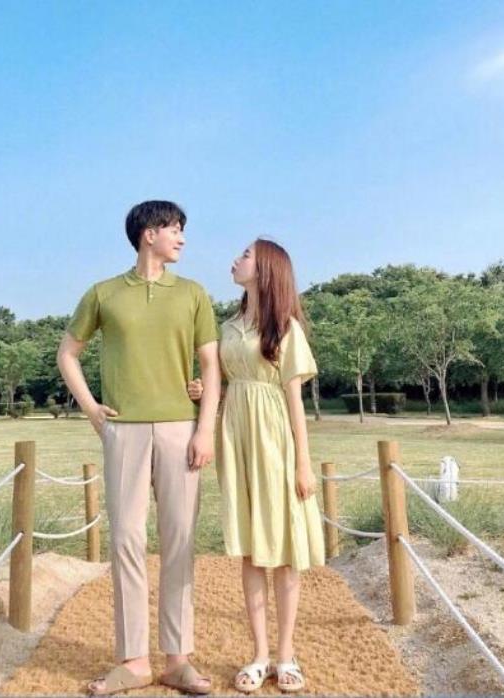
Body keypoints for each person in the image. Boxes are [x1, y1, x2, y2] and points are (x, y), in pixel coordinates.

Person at [57, 200, 221, 695]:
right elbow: (68, 354)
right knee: (126, 539)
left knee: (179, 540)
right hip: (123, 429)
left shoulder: (193, 294)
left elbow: (210, 366)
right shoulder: (103, 294)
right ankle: (133, 661)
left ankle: (178, 660)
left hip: (180, 428)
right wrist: (92, 409)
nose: (182, 238)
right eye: (175, 229)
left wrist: (205, 429)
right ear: (149, 233)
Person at [187, 238, 325, 694]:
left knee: (283, 551)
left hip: (276, 444)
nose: (235, 259)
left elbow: (294, 402)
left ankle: (286, 655)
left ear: (266, 268)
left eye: (245, 254)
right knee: (250, 548)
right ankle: (260, 654)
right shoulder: (228, 327)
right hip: (237, 442)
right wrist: (207, 392)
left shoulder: (285, 328)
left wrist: (303, 463)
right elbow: (231, 385)